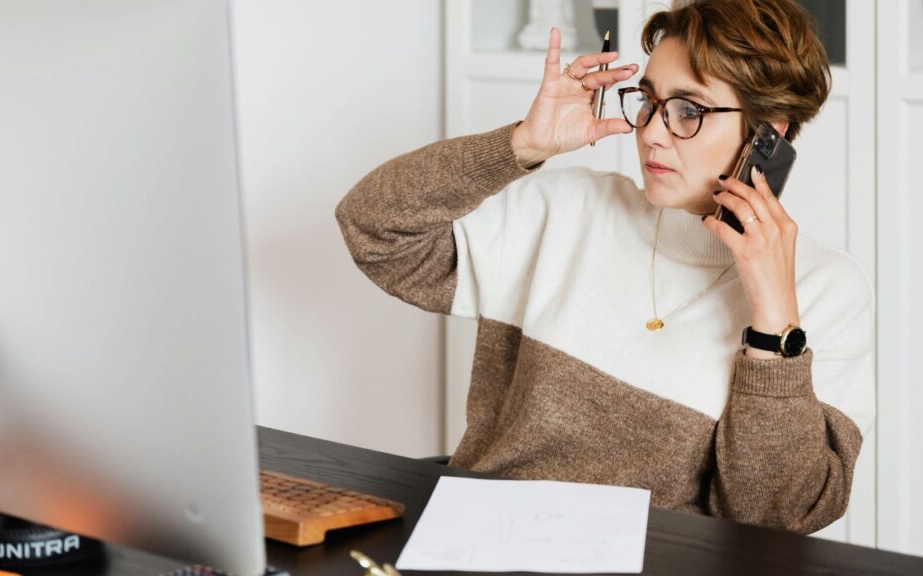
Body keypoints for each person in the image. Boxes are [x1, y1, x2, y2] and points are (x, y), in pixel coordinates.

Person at [335, 0, 874, 535]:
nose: (652, 132)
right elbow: (373, 229)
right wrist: (521, 144)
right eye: (649, 101)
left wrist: (773, 320)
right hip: (482, 546)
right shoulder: (566, 211)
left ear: (769, 135)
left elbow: (777, 515)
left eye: (688, 110)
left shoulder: (827, 289)